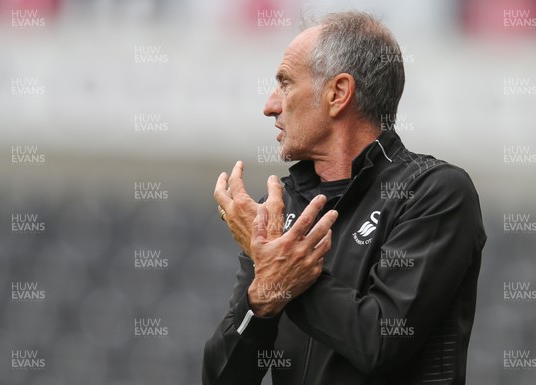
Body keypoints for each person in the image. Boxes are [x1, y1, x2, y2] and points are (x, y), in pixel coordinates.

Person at [203, 11, 486, 385]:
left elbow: (380, 343)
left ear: (338, 93)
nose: (270, 105)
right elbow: (222, 379)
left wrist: (275, 261)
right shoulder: (279, 209)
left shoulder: (434, 192)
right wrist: (266, 283)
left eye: (285, 84)